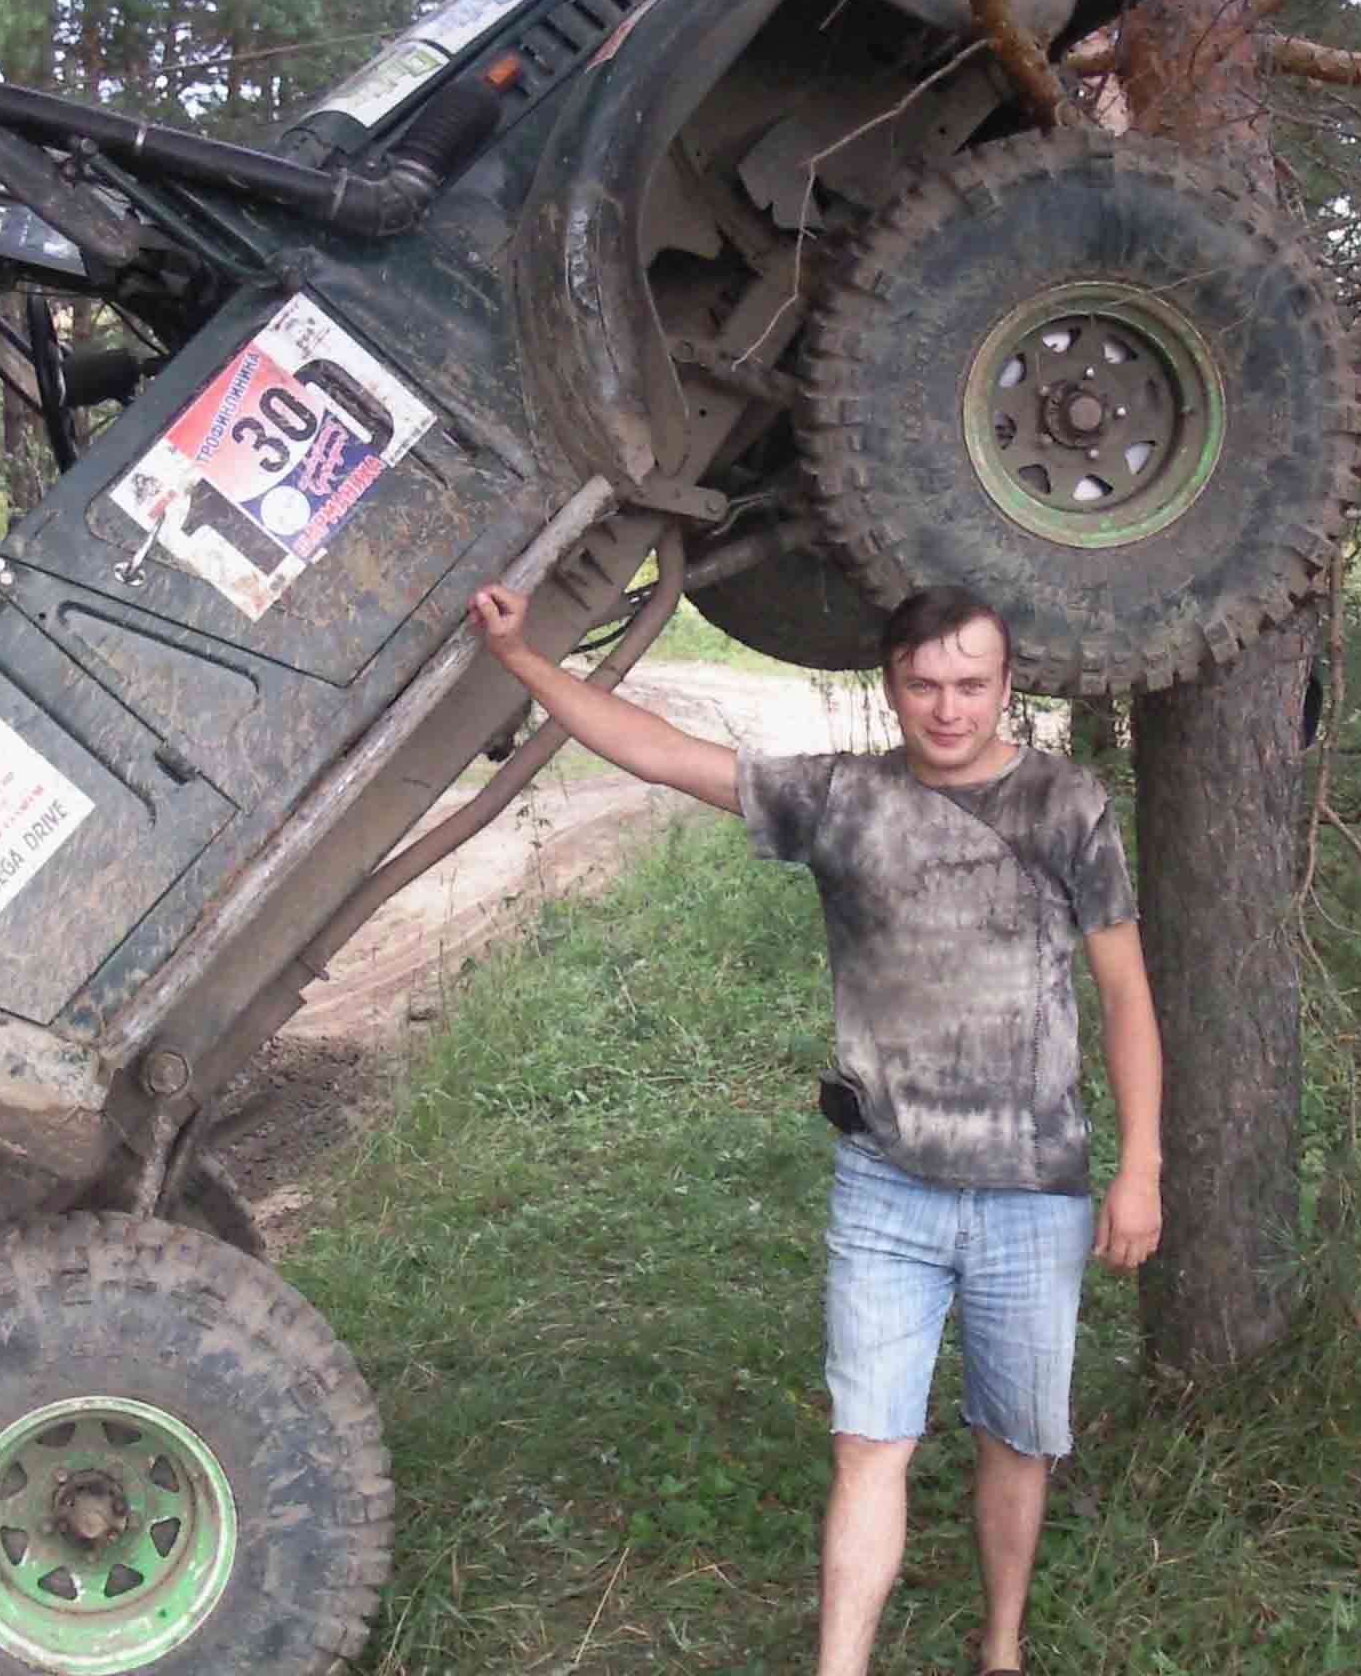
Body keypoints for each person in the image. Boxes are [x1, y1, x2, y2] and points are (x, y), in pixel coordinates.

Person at [468, 578, 1162, 1676]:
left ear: (1006, 686)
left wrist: (1142, 1168)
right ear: (890, 686)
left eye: (971, 685)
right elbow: (663, 754)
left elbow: (1125, 995)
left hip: (1035, 1188)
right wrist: (522, 661)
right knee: (867, 1447)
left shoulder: (1064, 805)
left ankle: (1001, 1650)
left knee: (1018, 1439)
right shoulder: (842, 798)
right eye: (924, 685)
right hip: (886, 1185)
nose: (948, 708)